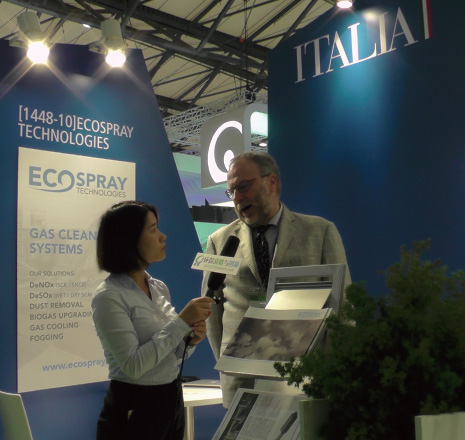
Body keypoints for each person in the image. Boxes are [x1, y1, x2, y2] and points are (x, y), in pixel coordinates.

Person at [201, 152, 351, 408]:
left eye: (243, 186)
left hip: (306, 375)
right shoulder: (218, 242)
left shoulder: (320, 231)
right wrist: (227, 365)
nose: (236, 197)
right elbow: (211, 312)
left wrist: (336, 372)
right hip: (242, 378)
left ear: (271, 182)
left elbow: (343, 306)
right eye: (231, 191)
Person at [92, 200, 215, 440]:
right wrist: (181, 322)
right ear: (129, 239)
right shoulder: (109, 296)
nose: (162, 236)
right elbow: (133, 366)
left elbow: (170, 355)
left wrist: (189, 341)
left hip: (170, 400)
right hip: (133, 407)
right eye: (153, 229)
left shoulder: (158, 287)